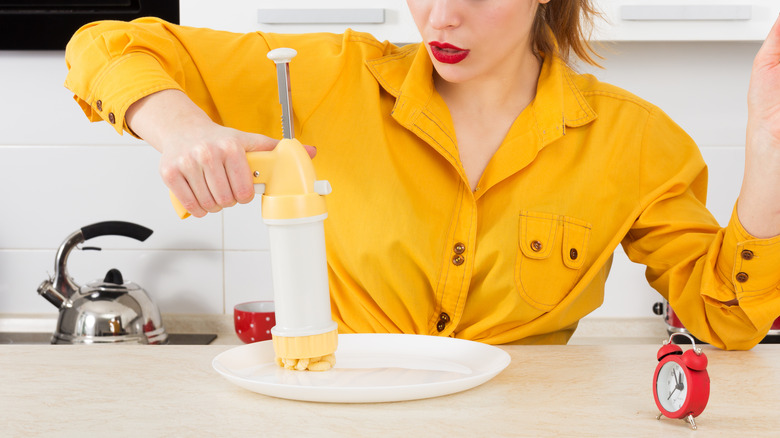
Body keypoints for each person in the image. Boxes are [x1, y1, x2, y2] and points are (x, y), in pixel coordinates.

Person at [64, 1, 780, 349]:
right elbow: (103, 46)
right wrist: (180, 126)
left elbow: (723, 317)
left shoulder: (636, 142)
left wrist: (769, 161)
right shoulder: (331, 77)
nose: (441, 15)